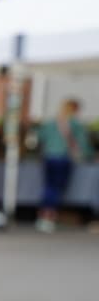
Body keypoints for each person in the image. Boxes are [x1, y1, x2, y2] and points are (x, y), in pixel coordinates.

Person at [34, 98, 92, 233]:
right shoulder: (74, 124)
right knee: (56, 187)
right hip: (62, 158)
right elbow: (82, 143)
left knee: (49, 186)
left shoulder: (51, 122)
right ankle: (49, 216)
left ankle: (43, 216)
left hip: (48, 157)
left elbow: (40, 137)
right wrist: (89, 155)